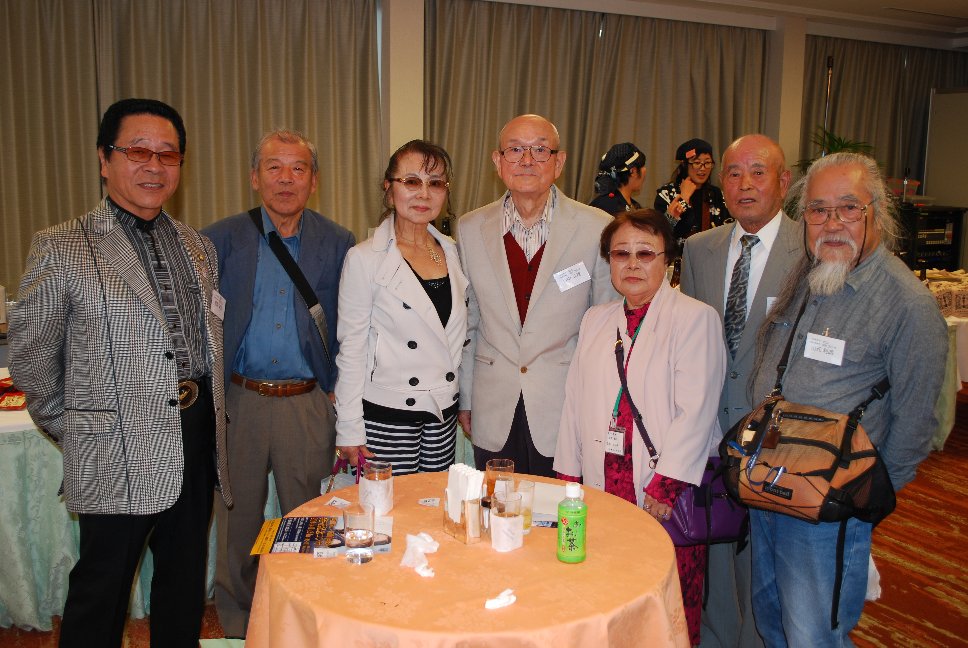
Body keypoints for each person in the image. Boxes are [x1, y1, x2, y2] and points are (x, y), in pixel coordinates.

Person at [8, 98, 230, 648]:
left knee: (183, 583)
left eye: (168, 154)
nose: (154, 166)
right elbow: (31, 358)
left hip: (195, 434)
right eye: (137, 151)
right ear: (105, 159)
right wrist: (85, 427)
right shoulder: (62, 246)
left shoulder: (198, 245)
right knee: (101, 593)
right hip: (114, 445)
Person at [749, 152, 947, 645]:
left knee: (813, 634)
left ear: (877, 212)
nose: (832, 223)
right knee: (772, 619)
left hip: (830, 508)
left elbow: (917, 422)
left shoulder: (907, 304)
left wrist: (862, 498)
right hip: (769, 484)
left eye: (848, 207)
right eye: (818, 210)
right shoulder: (811, 275)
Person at [202, 129, 355, 638]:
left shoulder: (338, 242)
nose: (286, 179)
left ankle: (306, 619)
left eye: (298, 168)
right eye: (274, 167)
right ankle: (238, 623)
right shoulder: (218, 240)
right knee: (237, 520)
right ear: (254, 177)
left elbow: (350, 323)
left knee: (308, 520)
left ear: (314, 180)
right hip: (239, 401)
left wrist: (337, 388)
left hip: (305, 402)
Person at [554, 209, 726, 646]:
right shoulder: (596, 319)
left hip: (661, 492)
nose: (632, 264)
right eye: (621, 254)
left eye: (645, 253)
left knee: (663, 605)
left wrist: (665, 487)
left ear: (667, 259)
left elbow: (697, 411)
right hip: (603, 486)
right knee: (605, 595)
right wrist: (569, 478)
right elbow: (574, 402)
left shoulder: (695, 318)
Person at [679, 133, 801, 648]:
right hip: (710, 431)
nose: (744, 184)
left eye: (758, 172)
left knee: (768, 564)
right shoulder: (699, 249)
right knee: (714, 550)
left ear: (784, 182)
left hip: (779, 437)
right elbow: (688, 339)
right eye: (733, 173)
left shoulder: (810, 248)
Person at [456, 114, 615, 477]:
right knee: (498, 506)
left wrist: (599, 402)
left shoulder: (595, 227)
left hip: (564, 402)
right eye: (515, 150)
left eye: (540, 150)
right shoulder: (470, 228)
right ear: (497, 161)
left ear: (559, 162)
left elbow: (605, 327)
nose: (527, 160)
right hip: (493, 403)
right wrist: (466, 397)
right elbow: (469, 322)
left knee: (557, 508)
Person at [334, 140, 468, 474]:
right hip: (386, 414)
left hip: (442, 411)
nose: (424, 193)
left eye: (435, 183)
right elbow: (351, 348)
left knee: (436, 502)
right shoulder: (365, 258)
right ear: (389, 188)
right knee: (388, 505)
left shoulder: (453, 252)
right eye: (411, 181)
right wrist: (349, 426)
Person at [655, 138, 730, 240]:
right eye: (697, 162)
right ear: (684, 164)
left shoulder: (717, 194)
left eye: (707, 162)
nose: (703, 168)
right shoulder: (667, 193)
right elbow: (663, 232)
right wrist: (683, 199)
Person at [589, 142, 647, 216]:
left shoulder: (634, 206)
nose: (645, 170)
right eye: (643, 166)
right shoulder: (606, 207)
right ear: (633, 171)